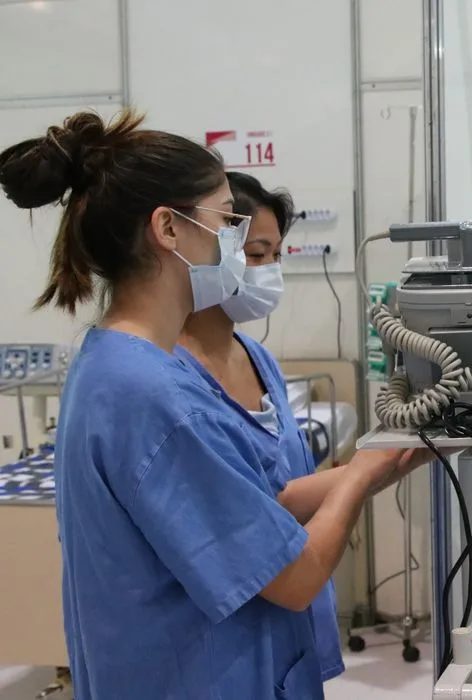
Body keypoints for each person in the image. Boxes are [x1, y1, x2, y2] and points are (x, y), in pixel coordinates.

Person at [0, 110, 428, 699]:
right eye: (227, 220)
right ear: (168, 229)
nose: (238, 242)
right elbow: (295, 578)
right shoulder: (151, 393)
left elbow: (254, 508)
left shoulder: (114, 366)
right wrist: (358, 483)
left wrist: (386, 458)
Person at [174, 171, 347, 683]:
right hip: (225, 640)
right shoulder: (171, 379)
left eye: (277, 255)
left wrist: (389, 458)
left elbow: (282, 495)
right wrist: (359, 479)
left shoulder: (258, 359)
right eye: (255, 254)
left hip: (290, 625)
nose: (269, 270)